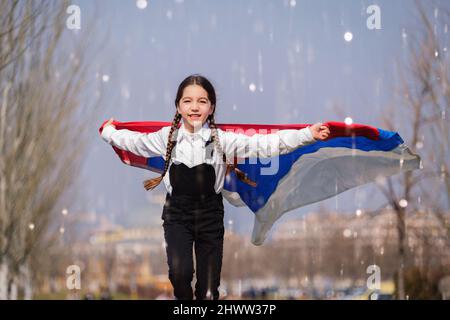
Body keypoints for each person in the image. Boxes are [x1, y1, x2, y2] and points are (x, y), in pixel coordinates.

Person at [100, 74, 330, 300]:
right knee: (180, 276)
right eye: (187, 101)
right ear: (178, 106)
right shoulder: (166, 138)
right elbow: (132, 142)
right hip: (177, 214)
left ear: (211, 107)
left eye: (202, 101)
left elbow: (267, 144)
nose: (194, 107)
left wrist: (307, 134)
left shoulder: (223, 140)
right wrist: (109, 132)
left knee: (209, 289)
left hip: (210, 214)